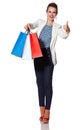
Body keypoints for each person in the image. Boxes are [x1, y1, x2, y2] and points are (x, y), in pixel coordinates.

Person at [24, 2, 70, 123]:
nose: (51, 14)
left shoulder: (57, 27)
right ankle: (41, 111)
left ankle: (47, 112)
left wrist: (67, 30)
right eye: (49, 11)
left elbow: (64, 36)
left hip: (49, 57)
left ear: (56, 14)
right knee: (39, 83)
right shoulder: (40, 22)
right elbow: (32, 25)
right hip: (38, 56)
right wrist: (27, 25)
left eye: (54, 12)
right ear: (46, 12)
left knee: (48, 84)